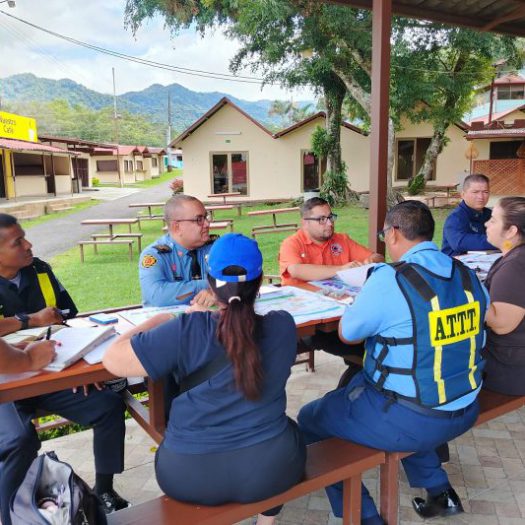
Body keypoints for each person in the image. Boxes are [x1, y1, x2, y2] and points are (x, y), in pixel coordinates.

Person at [298, 201, 488, 524]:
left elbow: (348, 333)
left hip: (413, 417)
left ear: (395, 233)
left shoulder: (391, 278)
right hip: (466, 405)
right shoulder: (467, 274)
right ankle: (440, 492)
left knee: (310, 418)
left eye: (384, 234)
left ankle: (365, 517)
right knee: (389, 393)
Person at [104, 233, 306, 525]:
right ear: (260, 281)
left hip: (187, 475)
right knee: (286, 431)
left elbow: (112, 359)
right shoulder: (282, 324)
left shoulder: (186, 329)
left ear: (210, 284)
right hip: (271, 469)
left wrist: (163, 320)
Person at [0, 213, 128, 523]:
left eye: (25, 237)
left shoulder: (40, 270)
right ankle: (9, 514)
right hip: (6, 384)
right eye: (18, 242)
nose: (28, 245)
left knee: (108, 406)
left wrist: (77, 365)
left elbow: (66, 317)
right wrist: (30, 321)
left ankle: (104, 491)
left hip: (51, 371)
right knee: (18, 440)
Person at [279, 197, 384, 286]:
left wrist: (370, 262)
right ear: (305, 223)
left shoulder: (342, 240)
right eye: (322, 219)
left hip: (337, 299)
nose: (330, 223)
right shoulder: (291, 244)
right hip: (300, 301)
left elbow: (378, 257)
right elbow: (295, 270)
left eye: (330, 217)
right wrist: (341, 269)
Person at [139, 195, 216, 307]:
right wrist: (211, 285)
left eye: (206, 217)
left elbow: (238, 281)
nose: (207, 224)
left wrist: (215, 293)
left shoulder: (216, 248)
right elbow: (158, 296)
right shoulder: (155, 255)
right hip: (168, 318)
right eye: (199, 219)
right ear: (177, 227)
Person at [482, 197, 525, 395]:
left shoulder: (515, 266)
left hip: (509, 370)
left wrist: (470, 294)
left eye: (493, 220)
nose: (486, 224)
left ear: (511, 231)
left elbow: (501, 324)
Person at [442, 173, 496, 256]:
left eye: (485, 192)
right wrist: (498, 241)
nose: (481, 197)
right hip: (457, 262)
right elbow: (459, 242)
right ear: (463, 195)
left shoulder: (491, 215)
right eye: (475, 192)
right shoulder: (456, 217)